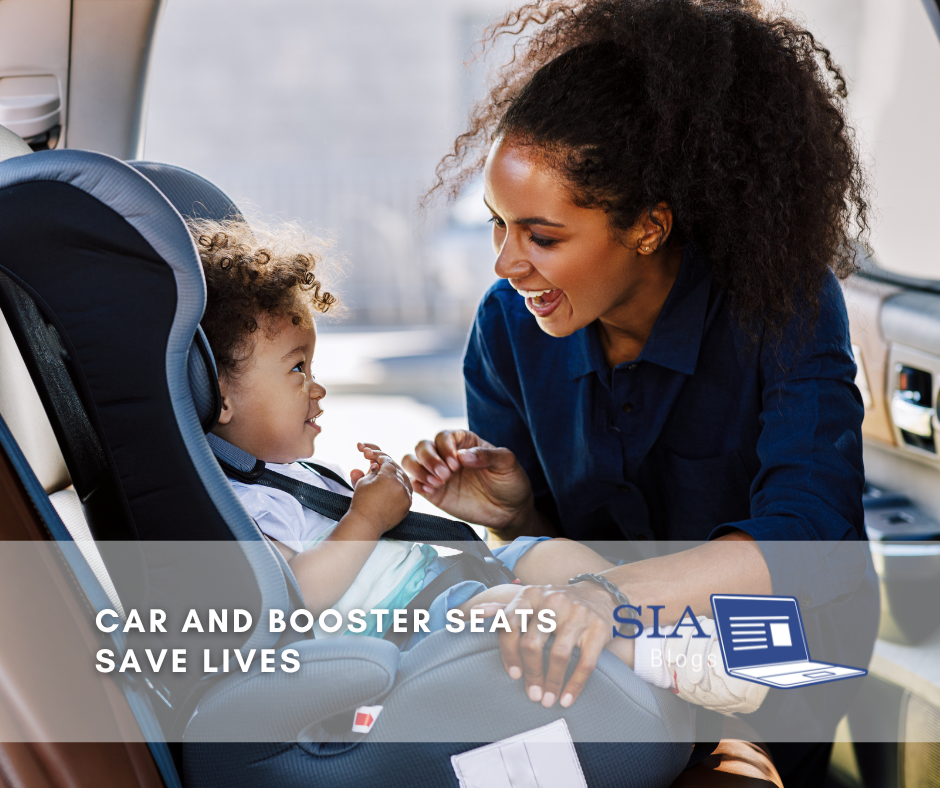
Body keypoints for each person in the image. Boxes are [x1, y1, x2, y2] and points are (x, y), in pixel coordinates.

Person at [404, 0, 879, 784]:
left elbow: (811, 537)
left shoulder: (783, 302)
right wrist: (516, 514)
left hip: (763, 672)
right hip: (607, 664)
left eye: (541, 237)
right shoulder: (507, 329)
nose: (505, 265)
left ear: (649, 227)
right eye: (497, 225)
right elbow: (556, 557)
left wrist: (603, 598)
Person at [189, 215, 767, 716]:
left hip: (444, 584)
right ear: (221, 395)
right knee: (513, 609)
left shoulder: (288, 477)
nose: (317, 389)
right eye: (296, 370)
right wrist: (365, 520)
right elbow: (297, 596)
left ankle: (676, 630)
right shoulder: (240, 504)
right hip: (405, 630)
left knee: (549, 555)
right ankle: (665, 663)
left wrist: (367, 499)